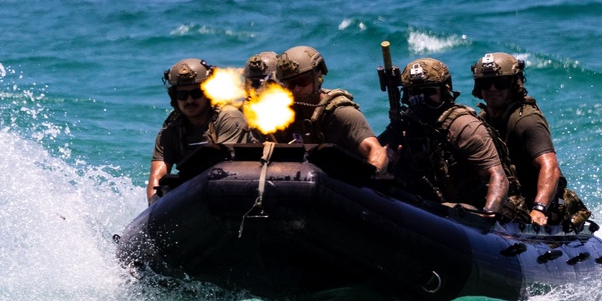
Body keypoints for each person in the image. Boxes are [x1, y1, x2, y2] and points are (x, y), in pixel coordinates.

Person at [383, 58, 527, 222]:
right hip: (433, 207)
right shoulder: (409, 124)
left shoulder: (463, 126)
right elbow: (376, 151)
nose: (421, 98)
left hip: (474, 210)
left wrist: (487, 216)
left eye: (429, 91)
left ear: (444, 91)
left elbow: (498, 177)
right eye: (414, 92)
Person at [471, 52, 590, 227]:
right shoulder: (483, 119)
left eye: (500, 82)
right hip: (507, 196)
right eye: (485, 83)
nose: (492, 89)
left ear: (513, 84)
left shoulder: (526, 121)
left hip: (535, 203)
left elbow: (549, 166)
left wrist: (539, 209)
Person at [264, 45, 387, 173]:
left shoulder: (342, 114)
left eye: (302, 82)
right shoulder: (284, 116)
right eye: (291, 84)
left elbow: (375, 151)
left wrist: (372, 177)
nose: (297, 89)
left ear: (318, 77)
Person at [146, 58, 248, 202]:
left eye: (196, 93)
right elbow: (157, 176)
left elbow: (229, 168)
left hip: (230, 190)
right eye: (182, 95)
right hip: (193, 193)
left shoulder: (228, 118)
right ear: (175, 97)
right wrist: (153, 207)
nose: (189, 100)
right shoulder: (171, 131)